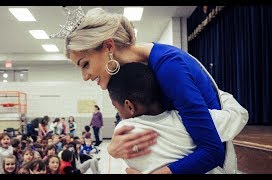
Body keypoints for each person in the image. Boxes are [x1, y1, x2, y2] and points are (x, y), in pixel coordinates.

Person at [58, 7, 248, 173]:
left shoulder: (169, 67)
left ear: (108, 46)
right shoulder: (142, 69)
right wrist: (113, 148)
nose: (85, 76)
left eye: (85, 64)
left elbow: (212, 151)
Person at [107, 62, 248, 173]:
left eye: (116, 107)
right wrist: (217, 92)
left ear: (129, 106)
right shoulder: (190, 120)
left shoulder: (123, 131)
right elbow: (240, 114)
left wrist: (110, 150)